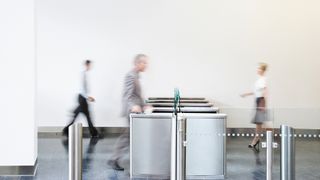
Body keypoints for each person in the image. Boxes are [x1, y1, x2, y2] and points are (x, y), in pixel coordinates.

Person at [108, 54, 150, 171]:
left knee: (131, 135)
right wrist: (134, 106)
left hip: (136, 109)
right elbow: (128, 95)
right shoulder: (130, 76)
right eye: (144, 63)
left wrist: (144, 104)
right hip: (131, 110)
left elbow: (137, 95)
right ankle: (114, 159)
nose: (146, 65)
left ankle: (117, 158)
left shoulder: (136, 75)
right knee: (127, 136)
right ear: (138, 63)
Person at [63, 60, 99, 138]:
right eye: (90, 65)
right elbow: (82, 89)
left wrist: (87, 97)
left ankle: (66, 130)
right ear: (87, 65)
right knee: (87, 116)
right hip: (82, 97)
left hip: (82, 98)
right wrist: (88, 97)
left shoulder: (85, 74)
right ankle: (94, 133)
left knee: (84, 115)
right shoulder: (83, 74)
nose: (91, 67)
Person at [241, 63, 268, 149]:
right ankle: (257, 138)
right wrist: (246, 94)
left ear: (263, 70)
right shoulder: (259, 80)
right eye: (258, 68)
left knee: (259, 122)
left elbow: (264, 91)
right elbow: (255, 91)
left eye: (259, 69)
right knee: (259, 122)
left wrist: (262, 104)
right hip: (258, 100)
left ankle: (256, 139)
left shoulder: (263, 79)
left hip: (260, 100)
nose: (258, 70)